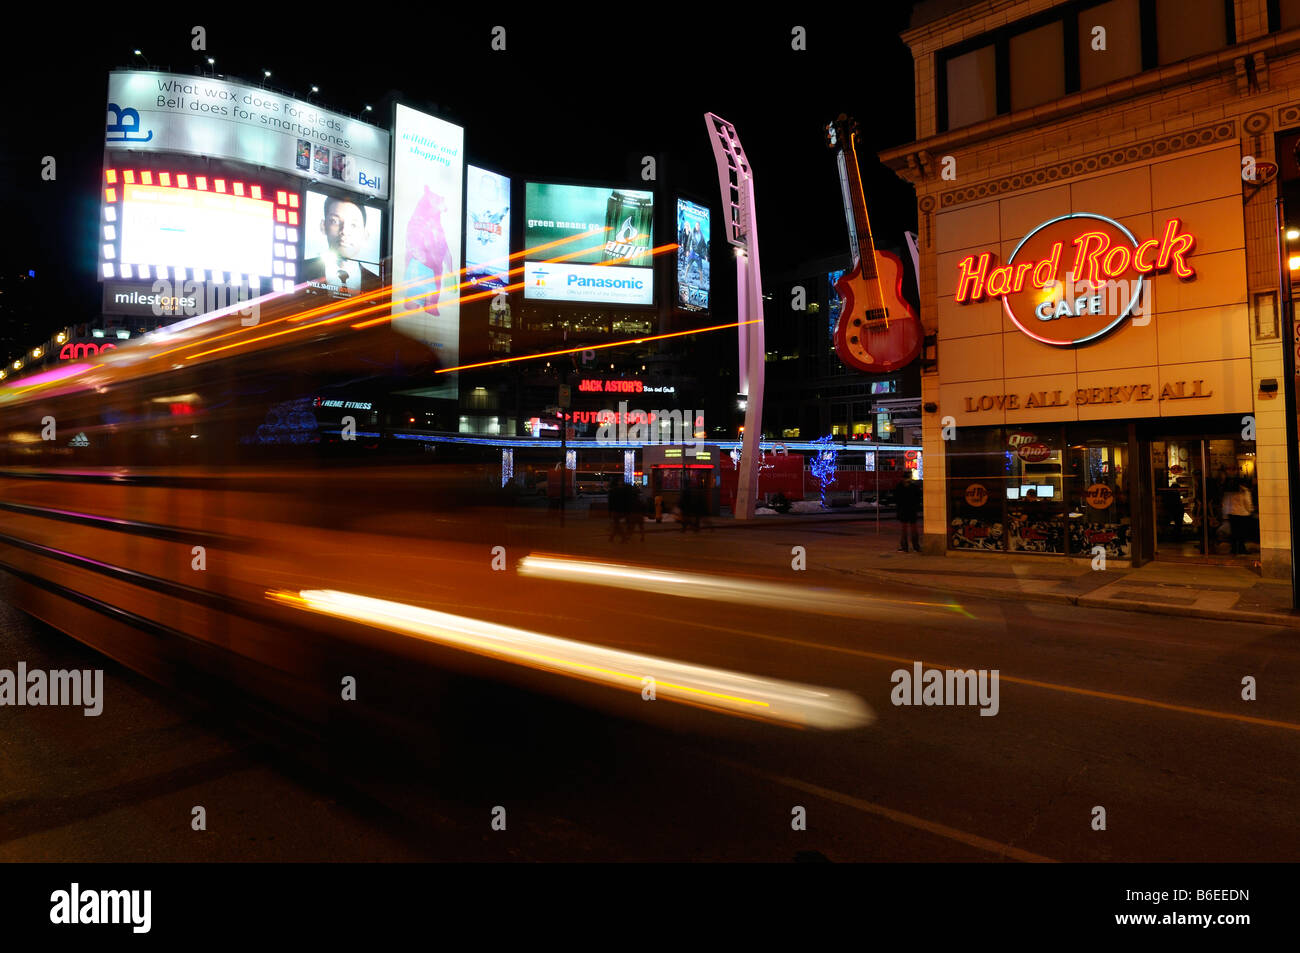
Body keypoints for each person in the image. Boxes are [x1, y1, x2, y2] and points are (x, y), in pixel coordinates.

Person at [302, 196, 380, 294]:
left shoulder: (378, 284)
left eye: (353, 225)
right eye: (335, 221)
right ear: (323, 226)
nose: (344, 231)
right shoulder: (301, 270)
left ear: (365, 235)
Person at [896, 478, 921, 552]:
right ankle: (916, 546)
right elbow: (918, 498)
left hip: (904, 510)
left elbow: (897, 499)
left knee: (904, 529)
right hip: (912, 510)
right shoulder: (914, 487)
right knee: (913, 529)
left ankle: (905, 547)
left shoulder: (900, 487)